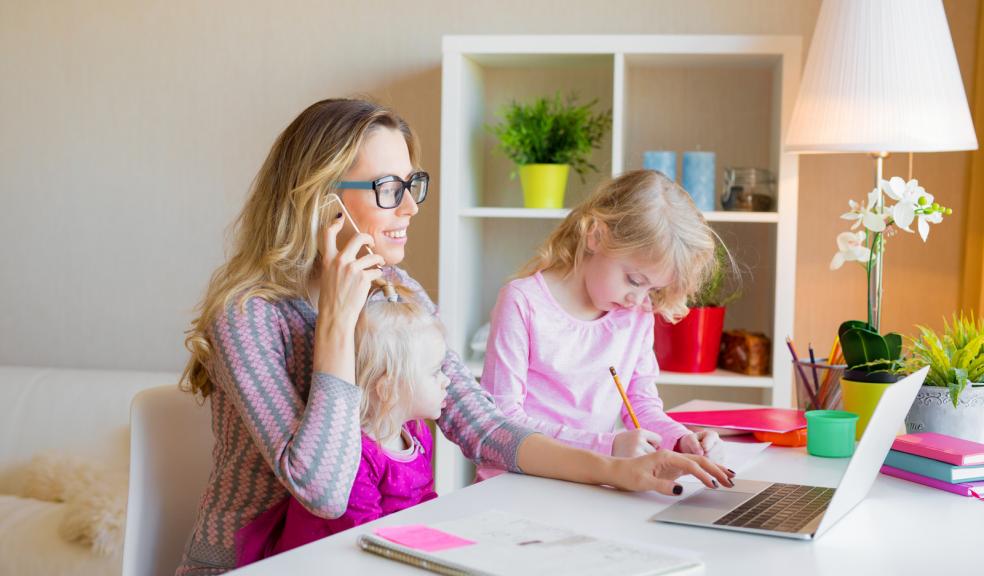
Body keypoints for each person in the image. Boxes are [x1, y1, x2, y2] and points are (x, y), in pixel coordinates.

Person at [175, 98, 733, 575]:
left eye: (411, 184)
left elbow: (484, 425)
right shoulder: (249, 316)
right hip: (258, 565)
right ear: (322, 199)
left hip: (358, 554)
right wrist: (337, 324)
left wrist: (620, 469)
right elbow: (323, 491)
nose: (411, 206)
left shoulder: (395, 291)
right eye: (388, 187)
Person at [478, 170, 725, 480]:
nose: (639, 299)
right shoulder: (523, 301)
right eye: (634, 280)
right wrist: (606, 447)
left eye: (652, 289)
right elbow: (502, 422)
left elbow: (642, 406)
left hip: (589, 481)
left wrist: (681, 439)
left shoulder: (637, 314)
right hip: (516, 482)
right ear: (595, 236)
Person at [234, 283, 447, 566]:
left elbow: (424, 500)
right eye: (435, 373)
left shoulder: (417, 434)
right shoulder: (355, 455)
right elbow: (363, 535)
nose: (446, 380)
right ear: (388, 389)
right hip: (321, 563)